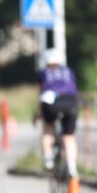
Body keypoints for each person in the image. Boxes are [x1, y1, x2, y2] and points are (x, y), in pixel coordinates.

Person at [36, 47, 79, 177]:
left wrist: (39, 113)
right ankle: (72, 167)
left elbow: (40, 93)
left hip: (51, 102)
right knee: (69, 136)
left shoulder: (43, 72)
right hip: (70, 102)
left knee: (48, 127)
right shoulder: (69, 71)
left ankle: (48, 158)